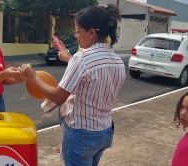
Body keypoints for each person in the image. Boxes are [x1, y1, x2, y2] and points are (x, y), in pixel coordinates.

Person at [19, 4, 126, 166]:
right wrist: (69, 59)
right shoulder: (117, 61)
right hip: (104, 132)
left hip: (82, 135)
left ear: (91, 32)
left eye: (77, 31)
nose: (75, 36)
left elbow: (58, 97)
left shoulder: (81, 58)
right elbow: (92, 79)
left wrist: (33, 76)